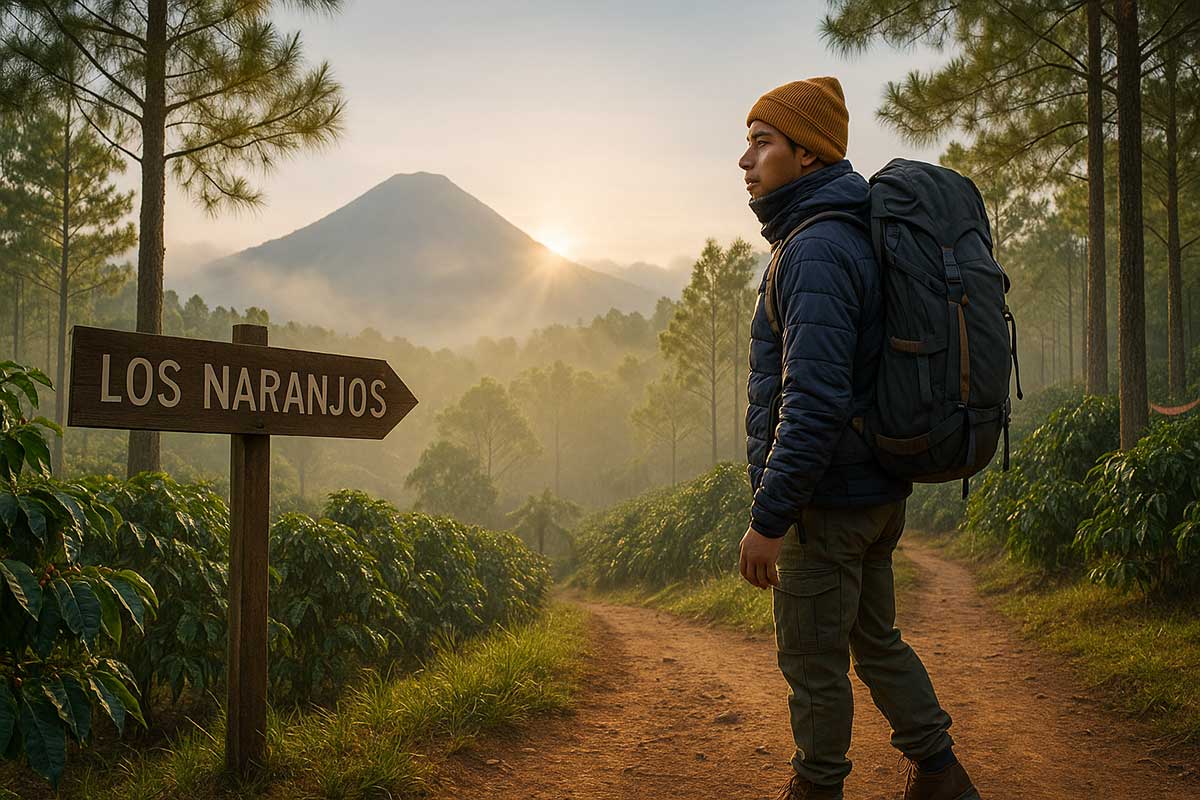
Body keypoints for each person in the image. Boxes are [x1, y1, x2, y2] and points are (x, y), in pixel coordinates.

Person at [737, 77, 982, 800]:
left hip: (828, 500)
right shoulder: (845, 232)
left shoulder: (813, 252)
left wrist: (769, 519)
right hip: (872, 489)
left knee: (813, 663)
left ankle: (816, 789)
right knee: (875, 641)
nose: (745, 160)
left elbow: (811, 402)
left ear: (807, 155)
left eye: (762, 141)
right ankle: (940, 774)